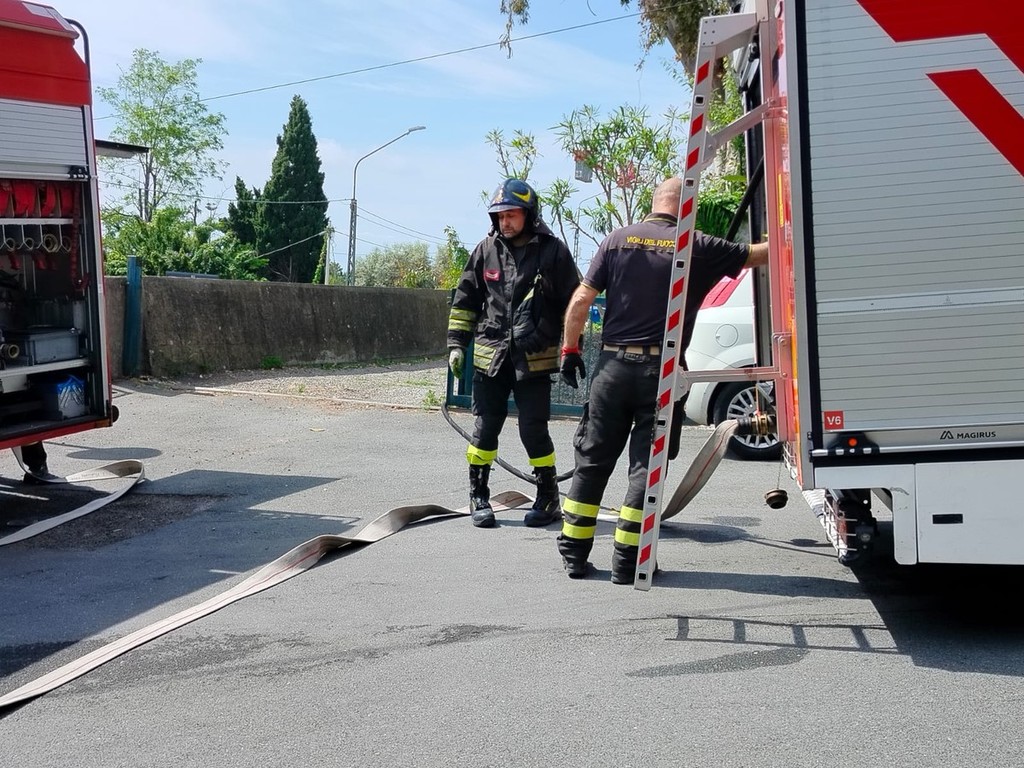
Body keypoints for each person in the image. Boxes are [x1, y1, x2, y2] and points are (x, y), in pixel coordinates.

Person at [555, 176, 769, 582]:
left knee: (592, 462)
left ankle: (574, 556)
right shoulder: (697, 246)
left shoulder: (617, 240)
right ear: (688, 207)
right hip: (661, 373)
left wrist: (569, 351)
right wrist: (787, 234)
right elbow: (757, 256)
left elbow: (581, 300)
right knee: (646, 468)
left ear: (653, 203)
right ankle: (628, 562)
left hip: (612, 369)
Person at [447, 179, 581, 528]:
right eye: (500, 216)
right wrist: (456, 344)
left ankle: (548, 497)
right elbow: (465, 301)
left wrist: (571, 350)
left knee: (533, 430)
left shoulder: (553, 252)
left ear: (529, 214)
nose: (504, 222)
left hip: (533, 358)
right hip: (490, 357)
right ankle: (478, 495)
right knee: (485, 428)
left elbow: (575, 304)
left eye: (511, 215)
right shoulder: (485, 250)